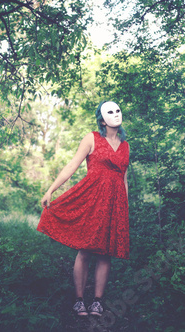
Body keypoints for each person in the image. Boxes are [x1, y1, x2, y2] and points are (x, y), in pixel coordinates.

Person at [37, 101, 130, 317]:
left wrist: (124, 209)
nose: (115, 114)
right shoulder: (92, 138)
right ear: (101, 118)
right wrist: (51, 190)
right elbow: (72, 165)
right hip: (92, 199)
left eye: (118, 110)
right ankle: (79, 301)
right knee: (86, 249)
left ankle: (97, 301)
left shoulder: (125, 146)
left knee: (106, 254)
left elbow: (124, 179)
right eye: (110, 111)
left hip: (114, 204)